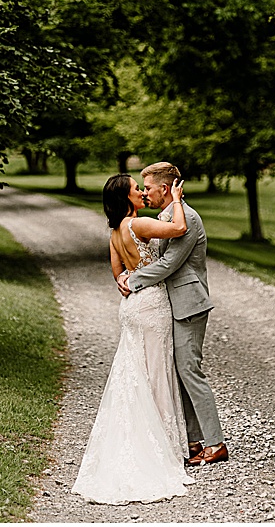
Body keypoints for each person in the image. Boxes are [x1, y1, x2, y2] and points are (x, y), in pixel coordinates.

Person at [70, 172, 194, 505]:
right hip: (151, 304)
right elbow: (179, 229)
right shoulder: (136, 225)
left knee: (134, 374)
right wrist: (178, 201)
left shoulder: (114, 232)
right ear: (126, 198)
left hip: (130, 306)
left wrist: (127, 278)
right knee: (155, 374)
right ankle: (159, 447)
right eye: (136, 189)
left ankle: (138, 439)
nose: (141, 192)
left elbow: (118, 274)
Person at [122, 161, 228, 467]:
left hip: (190, 305)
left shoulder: (188, 219)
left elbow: (170, 263)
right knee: (180, 374)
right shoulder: (166, 217)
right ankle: (194, 441)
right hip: (171, 304)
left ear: (165, 189)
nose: (145, 193)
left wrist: (135, 281)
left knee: (190, 371)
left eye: (149, 188)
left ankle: (216, 443)